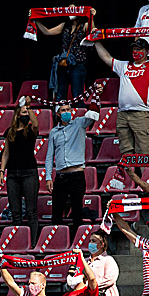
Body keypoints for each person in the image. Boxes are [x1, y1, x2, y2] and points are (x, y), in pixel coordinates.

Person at [94, 37, 149, 157]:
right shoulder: (123, 66)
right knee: (126, 153)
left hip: (143, 114)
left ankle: (144, 176)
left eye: (139, 49)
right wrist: (96, 41)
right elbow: (106, 57)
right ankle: (130, 176)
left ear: (146, 51)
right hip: (123, 114)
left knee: (143, 153)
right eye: (134, 49)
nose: (136, 52)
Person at [44, 98, 99, 230]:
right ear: (58, 113)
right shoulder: (53, 132)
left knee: (77, 211)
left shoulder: (79, 123)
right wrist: (48, 177)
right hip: (61, 176)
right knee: (57, 212)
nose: (66, 112)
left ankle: (76, 244)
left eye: (68, 109)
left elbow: (92, 115)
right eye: (63, 110)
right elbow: (49, 157)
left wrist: (96, 96)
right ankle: (57, 241)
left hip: (77, 175)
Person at [30, 5, 95, 100]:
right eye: (69, 10)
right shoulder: (64, 25)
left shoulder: (84, 25)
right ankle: (59, 114)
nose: (71, 12)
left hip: (78, 64)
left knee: (77, 95)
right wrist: (36, 19)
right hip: (64, 64)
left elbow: (92, 32)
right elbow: (47, 32)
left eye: (73, 9)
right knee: (60, 94)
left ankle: (79, 113)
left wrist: (91, 16)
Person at [0, 100, 39, 232]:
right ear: (17, 115)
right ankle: (19, 239)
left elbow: (36, 124)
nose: (26, 114)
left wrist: (29, 107)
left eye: (27, 112)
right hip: (12, 174)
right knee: (15, 212)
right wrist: (1, 171)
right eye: (23, 112)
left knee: (31, 211)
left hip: (29, 172)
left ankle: (33, 243)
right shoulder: (10, 132)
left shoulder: (31, 131)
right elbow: (6, 154)